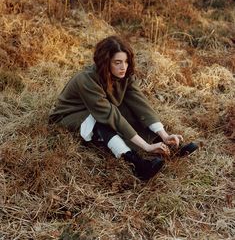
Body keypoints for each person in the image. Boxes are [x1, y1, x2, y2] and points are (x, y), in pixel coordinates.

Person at [49, 35, 198, 180]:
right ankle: (137, 163)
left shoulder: (124, 75)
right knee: (102, 121)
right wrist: (146, 147)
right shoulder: (86, 79)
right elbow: (109, 114)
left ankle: (168, 146)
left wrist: (164, 135)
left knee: (129, 110)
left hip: (99, 109)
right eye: (117, 62)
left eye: (126, 62)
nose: (123, 67)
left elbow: (140, 104)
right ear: (105, 62)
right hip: (70, 115)